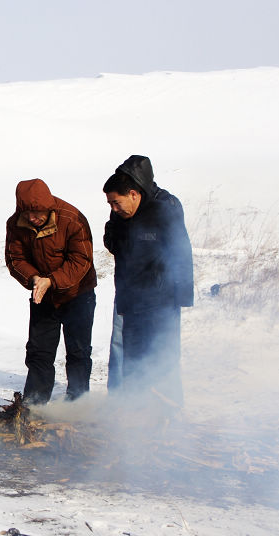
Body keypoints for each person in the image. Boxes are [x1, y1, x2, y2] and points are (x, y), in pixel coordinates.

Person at [102, 155, 194, 406]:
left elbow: (181, 250)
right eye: (110, 204)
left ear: (133, 193)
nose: (113, 208)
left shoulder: (166, 206)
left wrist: (182, 296)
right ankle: (136, 414)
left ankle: (170, 412)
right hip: (131, 297)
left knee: (162, 357)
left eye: (116, 202)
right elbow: (113, 245)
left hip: (161, 299)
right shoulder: (120, 215)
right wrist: (118, 223)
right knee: (132, 359)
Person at [5, 179, 97, 404]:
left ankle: (78, 403)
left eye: (39, 213)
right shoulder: (16, 223)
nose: (34, 218)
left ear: (49, 207)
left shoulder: (72, 218)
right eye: (29, 214)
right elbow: (15, 258)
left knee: (78, 351)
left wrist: (52, 281)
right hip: (42, 294)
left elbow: (81, 259)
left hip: (77, 294)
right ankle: (35, 404)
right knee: (39, 352)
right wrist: (34, 278)